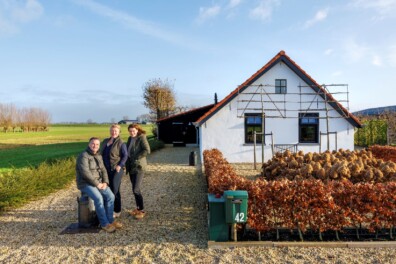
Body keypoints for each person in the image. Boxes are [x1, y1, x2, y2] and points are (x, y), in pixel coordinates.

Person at [76, 137, 122, 232]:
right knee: (99, 198)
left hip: (99, 182)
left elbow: (104, 170)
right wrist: (97, 184)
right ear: (89, 144)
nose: (95, 146)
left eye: (97, 144)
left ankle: (110, 220)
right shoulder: (83, 156)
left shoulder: (98, 155)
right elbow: (85, 173)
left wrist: (105, 182)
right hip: (85, 183)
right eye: (93, 144)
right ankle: (104, 224)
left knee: (111, 196)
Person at [101, 124, 128, 218]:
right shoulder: (105, 141)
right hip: (105, 169)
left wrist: (120, 165)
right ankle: (108, 208)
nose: (113, 132)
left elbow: (125, 156)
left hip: (116, 169)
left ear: (119, 132)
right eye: (112, 130)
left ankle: (117, 210)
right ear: (110, 131)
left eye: (115, 131)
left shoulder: (121, 143)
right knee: (106, 189)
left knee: (115, 189)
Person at [126, 123, 151, 219]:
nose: (132, 132)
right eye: (130, 131)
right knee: (135, 189)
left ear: (137, 130)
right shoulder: (129, 139)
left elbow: (147, 150)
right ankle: (138, 208)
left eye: (133, 131)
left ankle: (142, 210)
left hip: (139, 166)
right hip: (131, 167)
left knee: (136, 189)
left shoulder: (141, 137)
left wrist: (136, 158)